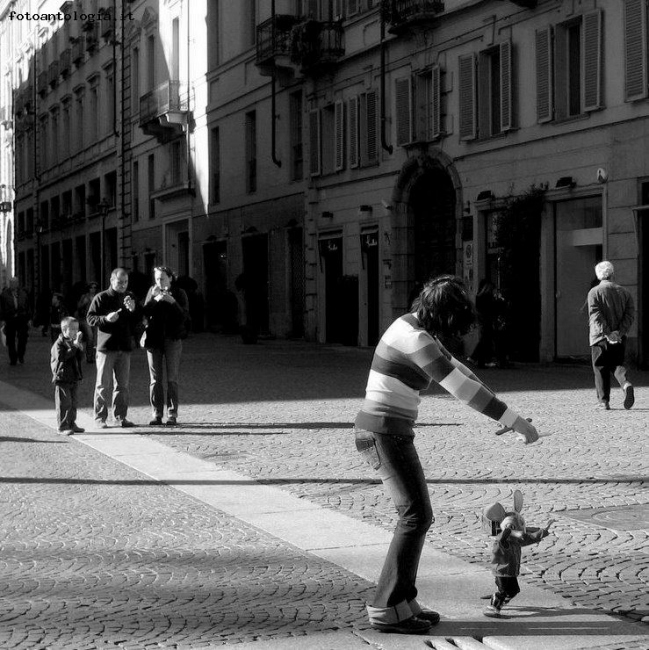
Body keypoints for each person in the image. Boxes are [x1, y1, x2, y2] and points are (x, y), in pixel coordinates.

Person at [353, 275, 539, 635]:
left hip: (389, 432)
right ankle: (386, 606)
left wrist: (506, 411)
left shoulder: (414, 326)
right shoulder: (414, 337)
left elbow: (461, 372)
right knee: (414, 516)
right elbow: (460, 388)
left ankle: (402, 603)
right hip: (382, 434)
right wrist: (515, 422)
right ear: (445, 314)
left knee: (417, 516)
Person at [482, 491, 555, 618]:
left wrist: (543, 531)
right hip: (502, 572)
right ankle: (494, 605)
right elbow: (502, 539)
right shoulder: (502, 541)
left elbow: (529, 538)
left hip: (511, 572)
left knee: (514, 590)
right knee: (504, 590)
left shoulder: (515, 541)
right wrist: (509, 532)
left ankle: (501, 597)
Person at [86, 268, 140, 429]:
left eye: (125, 282)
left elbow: (137, 320)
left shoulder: (130, 297)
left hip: (124, 346)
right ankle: (100, 418)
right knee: (103, 384)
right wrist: (105, 319)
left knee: (122, 385)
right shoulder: (101, 297)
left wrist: (134, 309)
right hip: (106, 347)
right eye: (119, 282)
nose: (123, 285)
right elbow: (90, 318)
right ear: (112, 281)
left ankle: (120, 417)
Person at [142, 266, 189, 426]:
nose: (159, 282)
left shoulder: (179, 293)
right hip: (154, 340)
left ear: (170, 278)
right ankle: (156, 414)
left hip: (172, 339)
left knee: (172, 379)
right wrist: (153, 299)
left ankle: (172, 414)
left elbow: (184, 317)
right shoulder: (152, 291)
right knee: (155, 380)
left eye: (162, 278)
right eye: (156, 278)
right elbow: (144, 314)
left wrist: (173, 302)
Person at [587, 261, 635, 410]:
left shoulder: (594, 292)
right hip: (619, 337)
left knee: (600, 367)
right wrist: (619, 332)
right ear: (613, 273)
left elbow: (595, 315)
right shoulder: (624, 292)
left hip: (599, 337)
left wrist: (607, 332)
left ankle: (604, 401)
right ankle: (626, 384)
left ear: (598, 275)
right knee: (617, 364)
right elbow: (630, 315)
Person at [50, 316, 85, 436]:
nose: (76, 332)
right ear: (64, 330)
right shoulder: (59, 344)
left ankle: (71, 423)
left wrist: (80, 349)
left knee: (73, 402)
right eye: (73, 329)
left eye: (77, 329)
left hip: (73, 376)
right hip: (62, 377)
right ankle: (63, 426)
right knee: (64, 403)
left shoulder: (73, 342)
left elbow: (79, 358)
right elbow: (62, 358)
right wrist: (74, 347)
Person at [0, 277, 31, 365]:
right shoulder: (4, 295)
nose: (13, 285)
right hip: (10, 319)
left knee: (22, 338)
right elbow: (1, 308)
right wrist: (2, 319)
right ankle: (13, 358)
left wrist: (29, 318)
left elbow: (28, 306)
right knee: (10, 339)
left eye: (15, 283)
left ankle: (20, 355)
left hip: (22, 318)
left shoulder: (23, 293)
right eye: (11, 283)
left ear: (17, 284)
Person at [77, 281, 99, 363]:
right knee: (90, 337)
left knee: (95, 339)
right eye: (91, 287)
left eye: (94, 287)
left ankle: (94, 356)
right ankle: (89, 357)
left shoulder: (98, 296)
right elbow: (78, 306)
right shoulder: (85, 296)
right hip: (86, 319)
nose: (93, 289)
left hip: (96, 319)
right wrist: (84, 303)